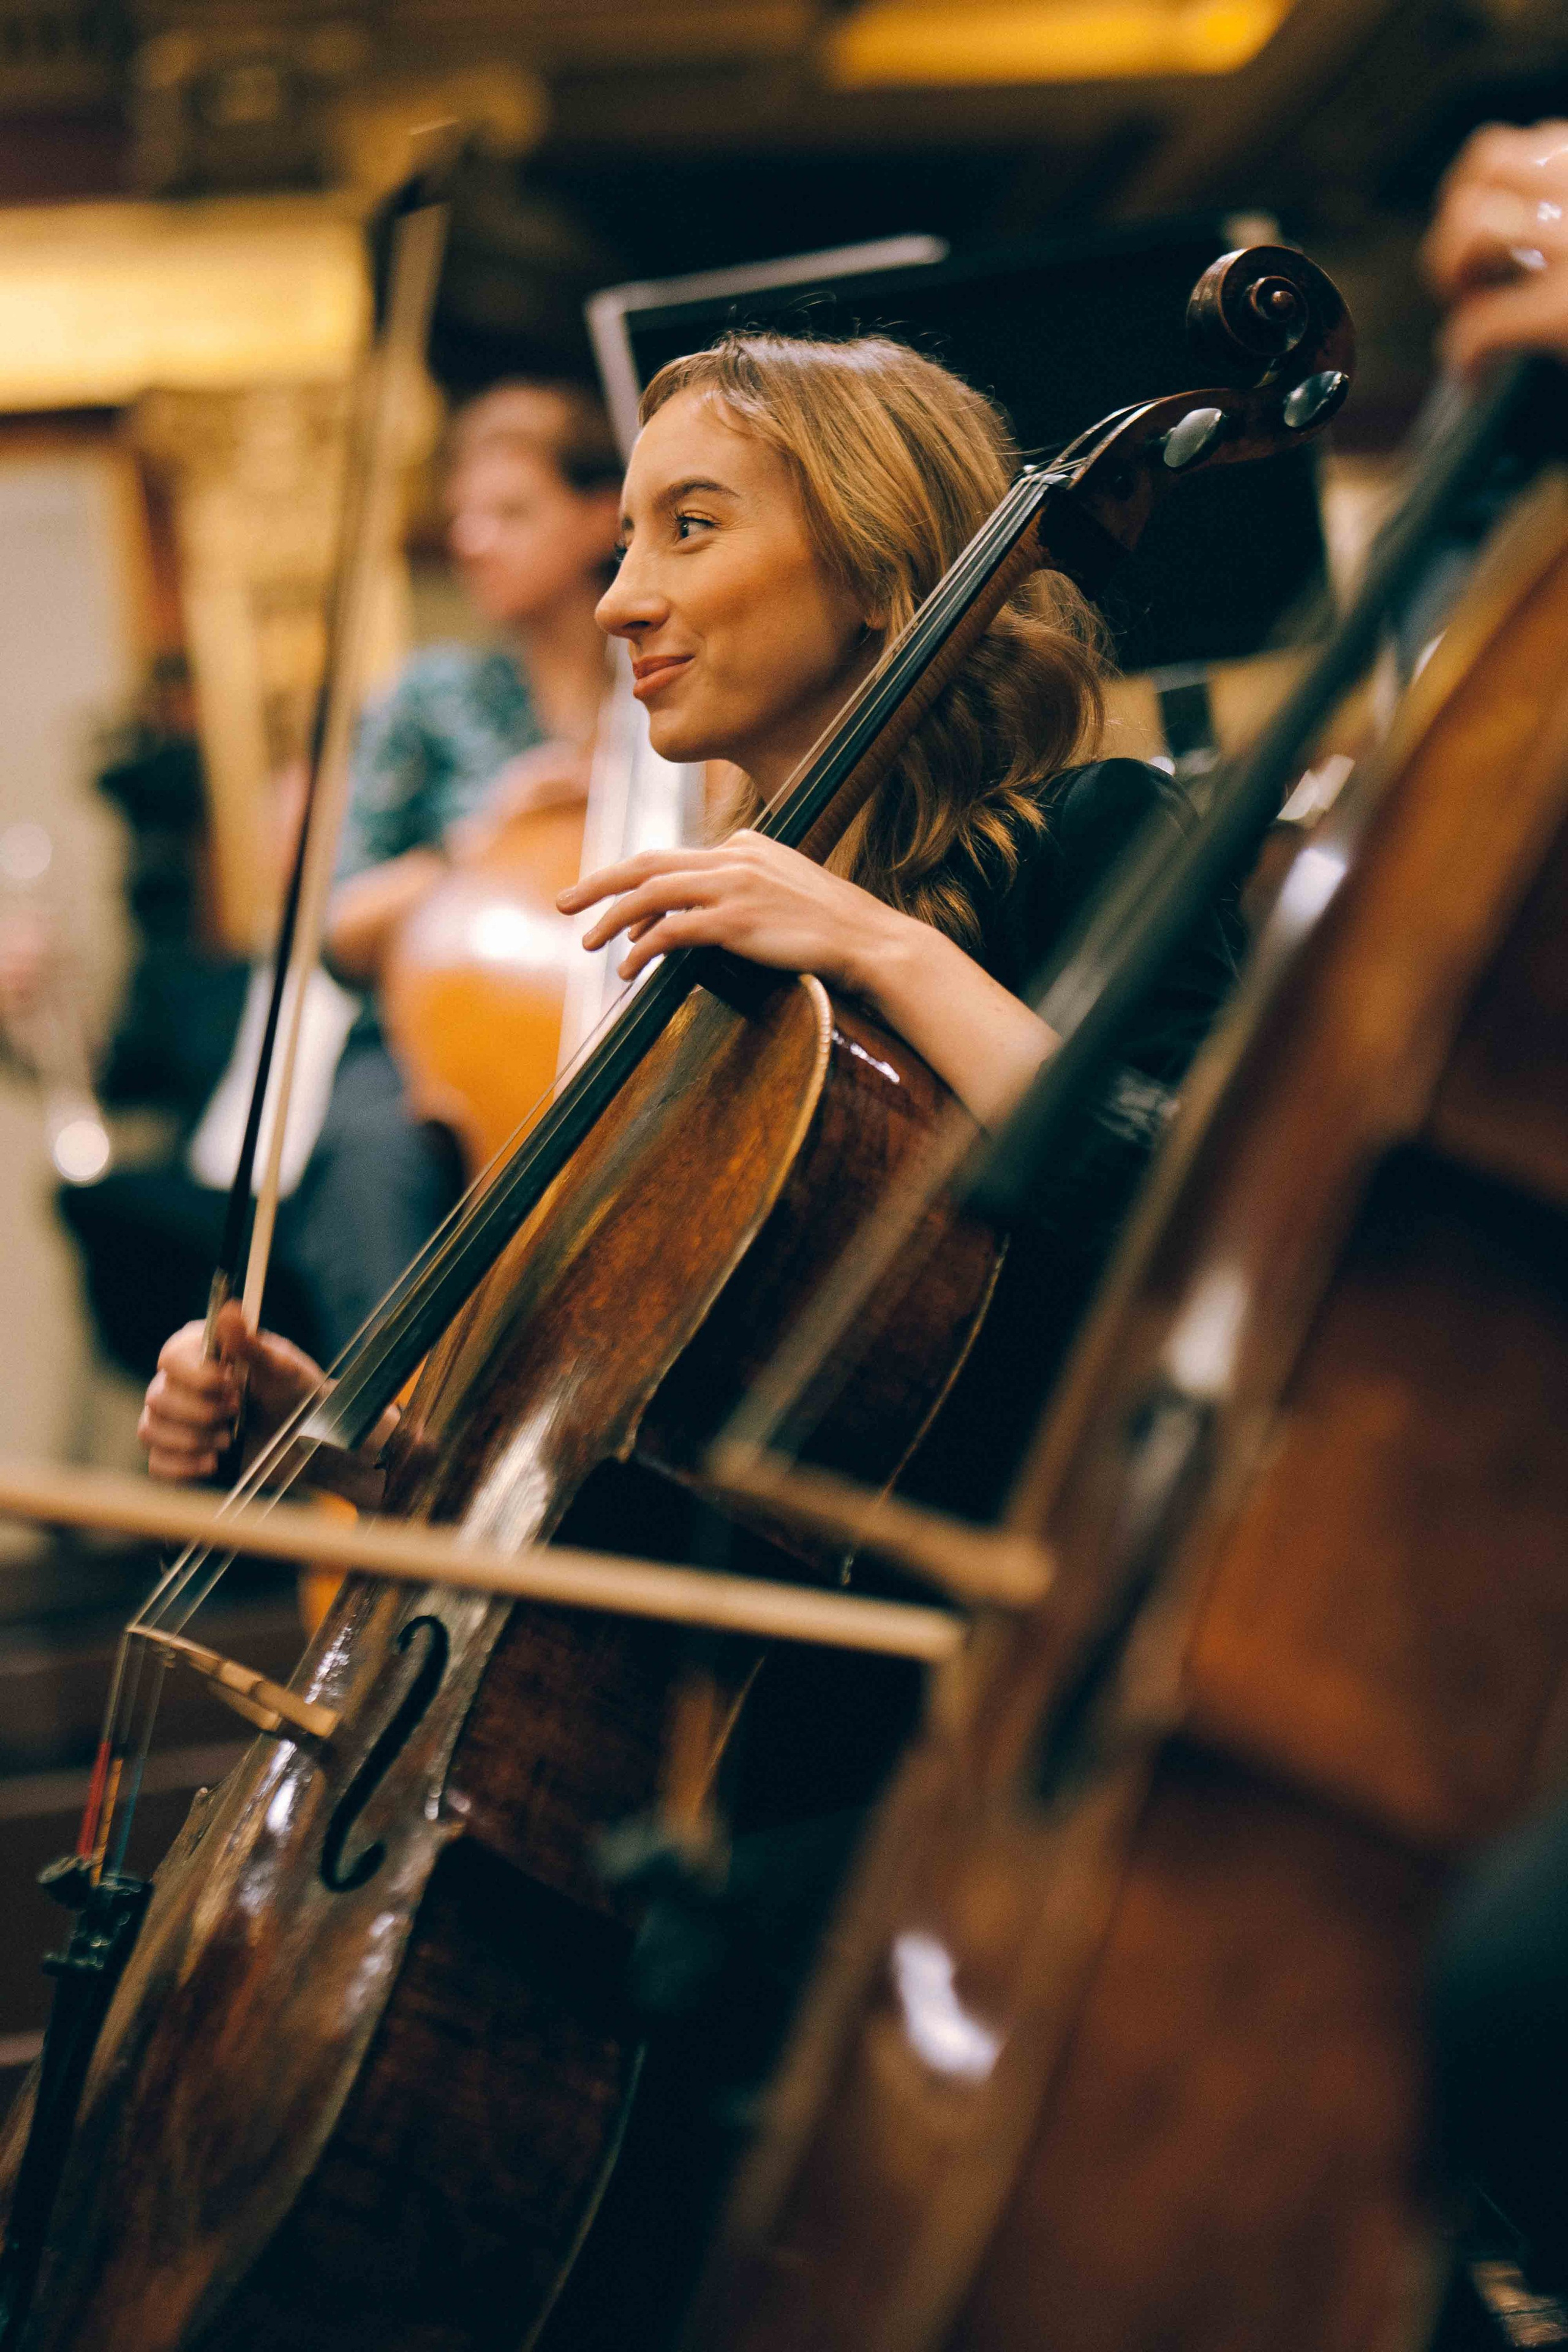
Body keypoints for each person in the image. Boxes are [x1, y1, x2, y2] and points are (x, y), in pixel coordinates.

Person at [286, 377, 625, 1360]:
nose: (472, 539)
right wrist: (480, 843)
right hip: (430, 1034)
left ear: (602, 517)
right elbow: (341, 927)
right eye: (463, 518)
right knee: (372, 1156)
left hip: (606, 1009)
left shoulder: (666, 685)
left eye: (510, 512)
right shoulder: (434, 698)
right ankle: (396, 1450)